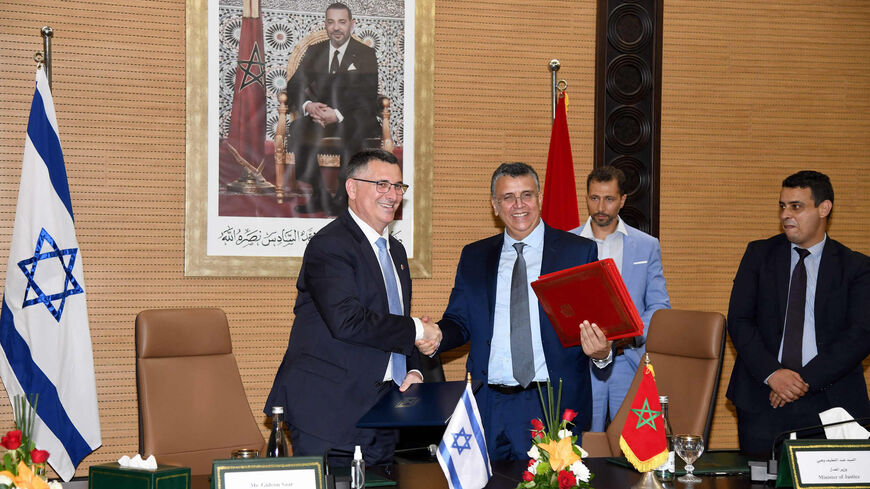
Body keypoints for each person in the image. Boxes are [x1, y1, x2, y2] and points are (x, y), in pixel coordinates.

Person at [264, 149, 442, 465]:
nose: (393, 194)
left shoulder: (396, 252)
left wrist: (413, 367)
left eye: (398, 186)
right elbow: (347, 320)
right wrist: (417, 328)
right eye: (382, 184)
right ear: (352, 188)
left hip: (384, 412)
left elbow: (391, 322)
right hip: (328, 411)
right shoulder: (330, 245)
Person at [434, 162, 613, 462]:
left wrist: (602, 352)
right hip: (488, 405)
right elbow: (459, 321)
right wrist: (436, 335)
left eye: (526, 194)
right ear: (495, 205)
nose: (519, 205)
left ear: (540, 198)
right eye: (508, 197)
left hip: (551, 404)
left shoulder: (577, 252)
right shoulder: (474, 256)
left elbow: (600, 324)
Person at [726, 170, 870, 459]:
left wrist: (799, 381)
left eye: (796, 206)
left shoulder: (855, 267)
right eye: (782, 206)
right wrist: (773, 375)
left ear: (824, 208)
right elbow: (739, 320)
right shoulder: (759, 254)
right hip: (763, 396)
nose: (786, 215)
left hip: (829, 399)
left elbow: (859, 336)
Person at [570, 166, 670, 431]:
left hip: (628, 358)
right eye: (594, 198)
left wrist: (631, 334)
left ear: (623, 200)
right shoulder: (567, 242)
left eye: (609, 199)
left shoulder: (646, 245)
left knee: (630, 441)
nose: (600, 206)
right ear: (586, 197)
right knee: (584, 441)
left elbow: (659, 305)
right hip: (581, 361)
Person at [287, 2, 380, 215]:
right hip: (320, 116)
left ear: (351, 25)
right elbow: (294, 84)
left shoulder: (365, 53)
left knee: (354, 130)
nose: (336, 27)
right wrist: (308, 106)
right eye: (331, 22)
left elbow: (368, 94)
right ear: (325, 25)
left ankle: (341, 196)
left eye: (341, 22)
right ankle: (319, 193)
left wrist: (337, 115)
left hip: (353, 117)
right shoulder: (314, 51)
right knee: (298, 129)